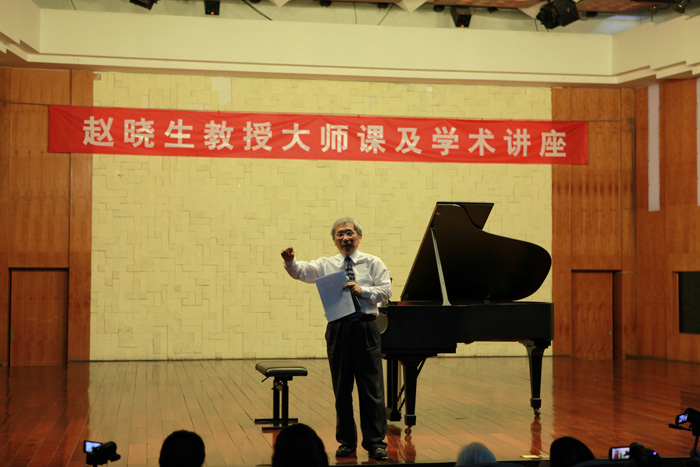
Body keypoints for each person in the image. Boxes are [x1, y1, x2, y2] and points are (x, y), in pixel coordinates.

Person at [281, 217, 392, 461]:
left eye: (349, 233)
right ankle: (346, 442)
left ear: (359, 237)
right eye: (340, 234)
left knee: (371, 389)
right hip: (339, 329)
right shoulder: (326, 264)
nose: (345, 238)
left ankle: (375, 443)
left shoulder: (373, 262)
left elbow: (386, 291)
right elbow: (301, 272)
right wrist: (290, 261)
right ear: (334, 240)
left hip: (366, 327)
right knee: (342, 389)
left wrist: (363, 290)